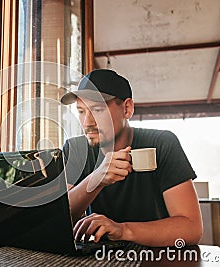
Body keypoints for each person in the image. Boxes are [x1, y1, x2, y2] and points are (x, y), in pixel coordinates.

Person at [61, 69, 203, 247]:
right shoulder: (75, 149)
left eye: (97, 110)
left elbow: (191, 229)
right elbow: (57, 221)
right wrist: (96, 179)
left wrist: (122, 230)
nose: (87, 122)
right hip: (99, 256)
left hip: (159, 254)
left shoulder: (162, 143)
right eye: (81, 111)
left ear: (127, 109)